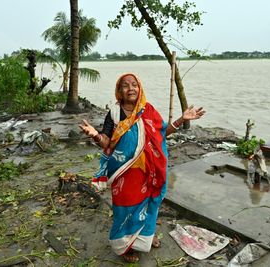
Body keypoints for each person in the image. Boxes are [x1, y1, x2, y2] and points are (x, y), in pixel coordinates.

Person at [79, 73, 205, 263]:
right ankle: (124, 247)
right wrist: (95, 134)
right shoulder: (114, 114)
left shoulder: (149, 110)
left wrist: (182, 119)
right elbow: (107, 143)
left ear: (140, 89)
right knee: (125, 208)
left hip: (148, 171)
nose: (131, 88)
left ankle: (143, 238)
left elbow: (162, 132)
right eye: (125, 86)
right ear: (119, 92)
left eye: (134, 85)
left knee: (149, 205)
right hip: (124, 171)